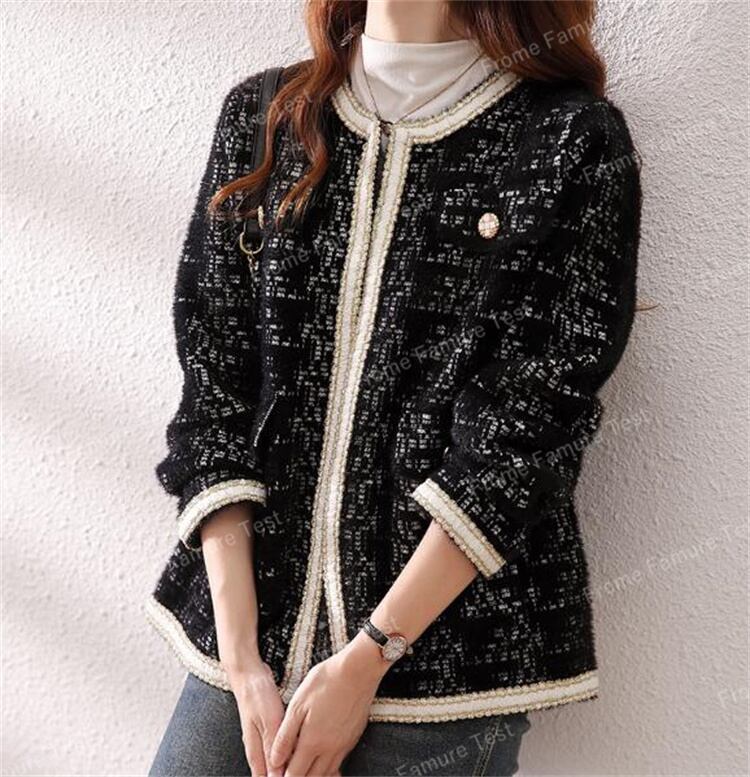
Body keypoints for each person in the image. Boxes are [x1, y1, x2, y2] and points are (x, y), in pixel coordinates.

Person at [147, 1, 641, 774]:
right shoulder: (265, 118)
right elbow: (214, 394)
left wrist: (369, 655)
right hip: (243, 655)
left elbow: (526, 434)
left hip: (445, 673)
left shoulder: (568, 142)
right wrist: (242, 661)